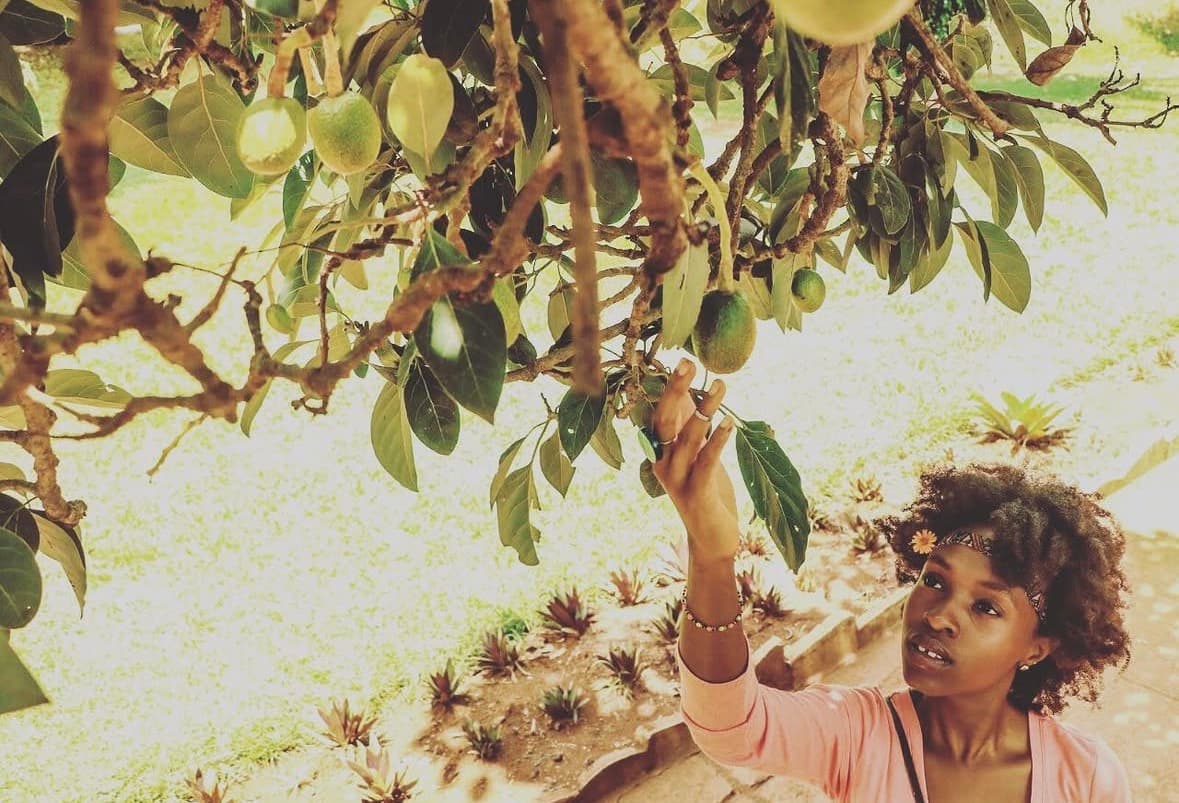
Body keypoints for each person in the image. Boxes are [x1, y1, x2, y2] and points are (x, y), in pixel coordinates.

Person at [649, 357, 1132, 802]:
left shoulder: (1087, 780)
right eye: (935, 580)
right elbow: (731, 726)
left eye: (986, 607)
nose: (940, 615)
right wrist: (713, 560)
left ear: (1037, 648)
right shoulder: (858, 735)